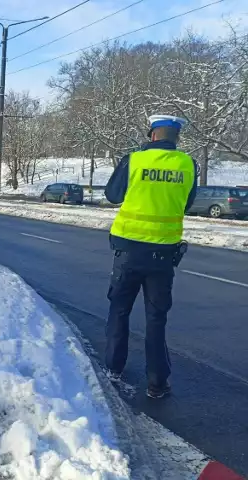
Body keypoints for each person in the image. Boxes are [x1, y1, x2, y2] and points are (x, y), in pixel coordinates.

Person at [104, 114, 197, 399]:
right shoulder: (188, 165)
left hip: (129, 251)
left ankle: (113, 369)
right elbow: (188, 203)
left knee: (120, 311)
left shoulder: (134, 160)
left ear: (152, 134)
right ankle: (157, 382)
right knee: (156, 318)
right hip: (164, 256)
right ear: (175, 137)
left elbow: (112, 195)